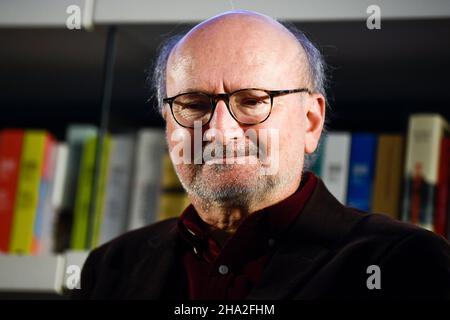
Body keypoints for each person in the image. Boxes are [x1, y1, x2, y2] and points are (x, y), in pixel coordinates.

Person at [73, 10, 450, 299]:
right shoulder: (110, 269)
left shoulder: (405, 263)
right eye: (194, 103)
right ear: (167, 122)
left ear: (310, 121)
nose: (220, 130)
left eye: (253, 101)